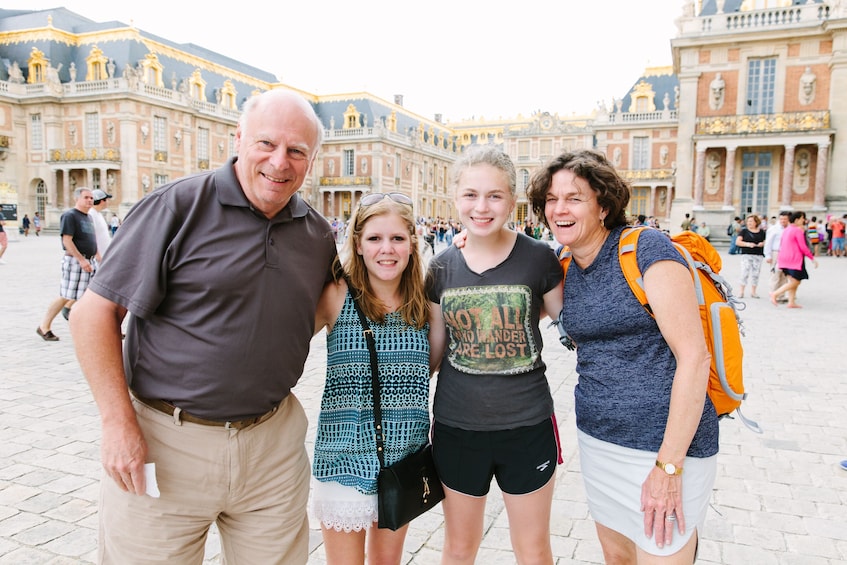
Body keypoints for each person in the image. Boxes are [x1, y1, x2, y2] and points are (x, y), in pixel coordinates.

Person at [68, 89, 336, 564]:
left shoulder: (317, 236)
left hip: (271, 448)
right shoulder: (178, 206)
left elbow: (331, 310)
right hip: (165, 442)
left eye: (297, 151)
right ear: (238, 138)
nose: (280, 162)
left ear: (311, 160)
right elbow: (93, 314)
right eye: (266, 144)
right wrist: (117, 424)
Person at [526, 149, 717, 563]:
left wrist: (668, 468)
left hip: (666, 447)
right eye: (551, 200)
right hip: (600, 442)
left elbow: (695, 358)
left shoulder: (646, 250)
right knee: (618, 558)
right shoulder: (563, 263)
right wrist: (477, 241)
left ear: (604, 205)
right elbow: (513, 298)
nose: (559, 209)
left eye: (574, 198)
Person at [426, 145, 564, 564]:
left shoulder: (540, 259)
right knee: (459, 548)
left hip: (527, 426)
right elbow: (434, 353)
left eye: (494, 196)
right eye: (470, 195)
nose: (481, 207)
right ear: (455, 197)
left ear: (513, 199)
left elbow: (576, 327)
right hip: (457, 428)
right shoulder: (439, 267)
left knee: (534, 548)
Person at [311, 192, 431, 565]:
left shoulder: (425, 305)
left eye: (397, 238)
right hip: (343, 458)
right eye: (375, 239)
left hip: (402, 460)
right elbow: (283, 346)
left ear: (412, 243)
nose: (387, 249)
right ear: (358, 245)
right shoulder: (336, 295)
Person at [36, 187, 97, 341]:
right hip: (76, 261)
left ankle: (84, 326)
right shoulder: (70, 216)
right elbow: (67, 240)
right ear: (77, 198)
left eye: (91, 198)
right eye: (86, 197)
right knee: (66, 296)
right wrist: (81, 259)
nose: (90, 200)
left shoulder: (88, 217)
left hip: (89, 260)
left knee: (85, 296)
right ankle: (44, 326)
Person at [770, 211, 818, 309]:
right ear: (797, 219)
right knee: (796, 282)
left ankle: (791, 302)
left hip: (784, 258)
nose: (803, 220)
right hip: (794, 259)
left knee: (793, 280)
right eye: (802, 218)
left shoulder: (787, 229)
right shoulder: (797, 230)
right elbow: (803, 247)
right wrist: (812, 258)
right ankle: (775, 293)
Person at [736, 214, 766, 298]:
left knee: (756, 274)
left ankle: (753, 292)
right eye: (748, 221)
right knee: (744, 273)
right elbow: (738, 242)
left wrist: (762, 243)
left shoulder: (761, 232)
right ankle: (741, 291)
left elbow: (765, 241)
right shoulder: (744, 231)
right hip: (746, 254)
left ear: (756, 222)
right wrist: (747, 244)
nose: (749, 223)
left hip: (758, 255)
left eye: (751, 221)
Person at [764, 211, 791, 303]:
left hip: (787, 253)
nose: (783, 221)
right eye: (782, 219)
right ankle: (773, 293)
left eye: (785, 219)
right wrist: (768, 255)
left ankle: (781, 295)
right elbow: (768, 242)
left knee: (784, 275)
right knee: (775, 274)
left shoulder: (790, 228)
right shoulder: (774, 229)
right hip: (776, 252)